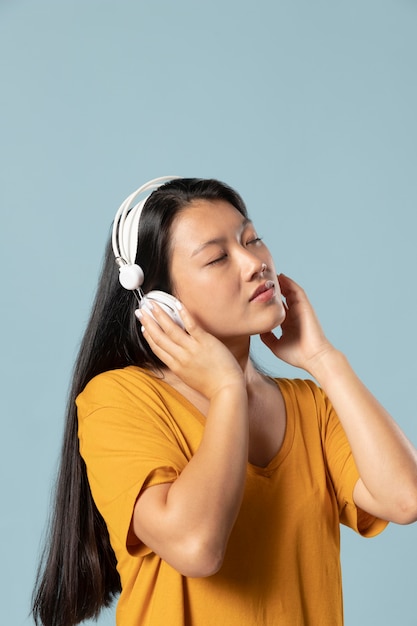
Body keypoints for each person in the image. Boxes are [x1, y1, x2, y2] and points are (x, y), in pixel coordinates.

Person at [32, 177, 417, 626]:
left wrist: (323, 359)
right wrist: (228, 390)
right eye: (217, 257)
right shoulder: (118, 400)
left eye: (252, 239)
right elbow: (197, 546)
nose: (255, 263)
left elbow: (405, 499)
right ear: (158, 300)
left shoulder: (311, 405)